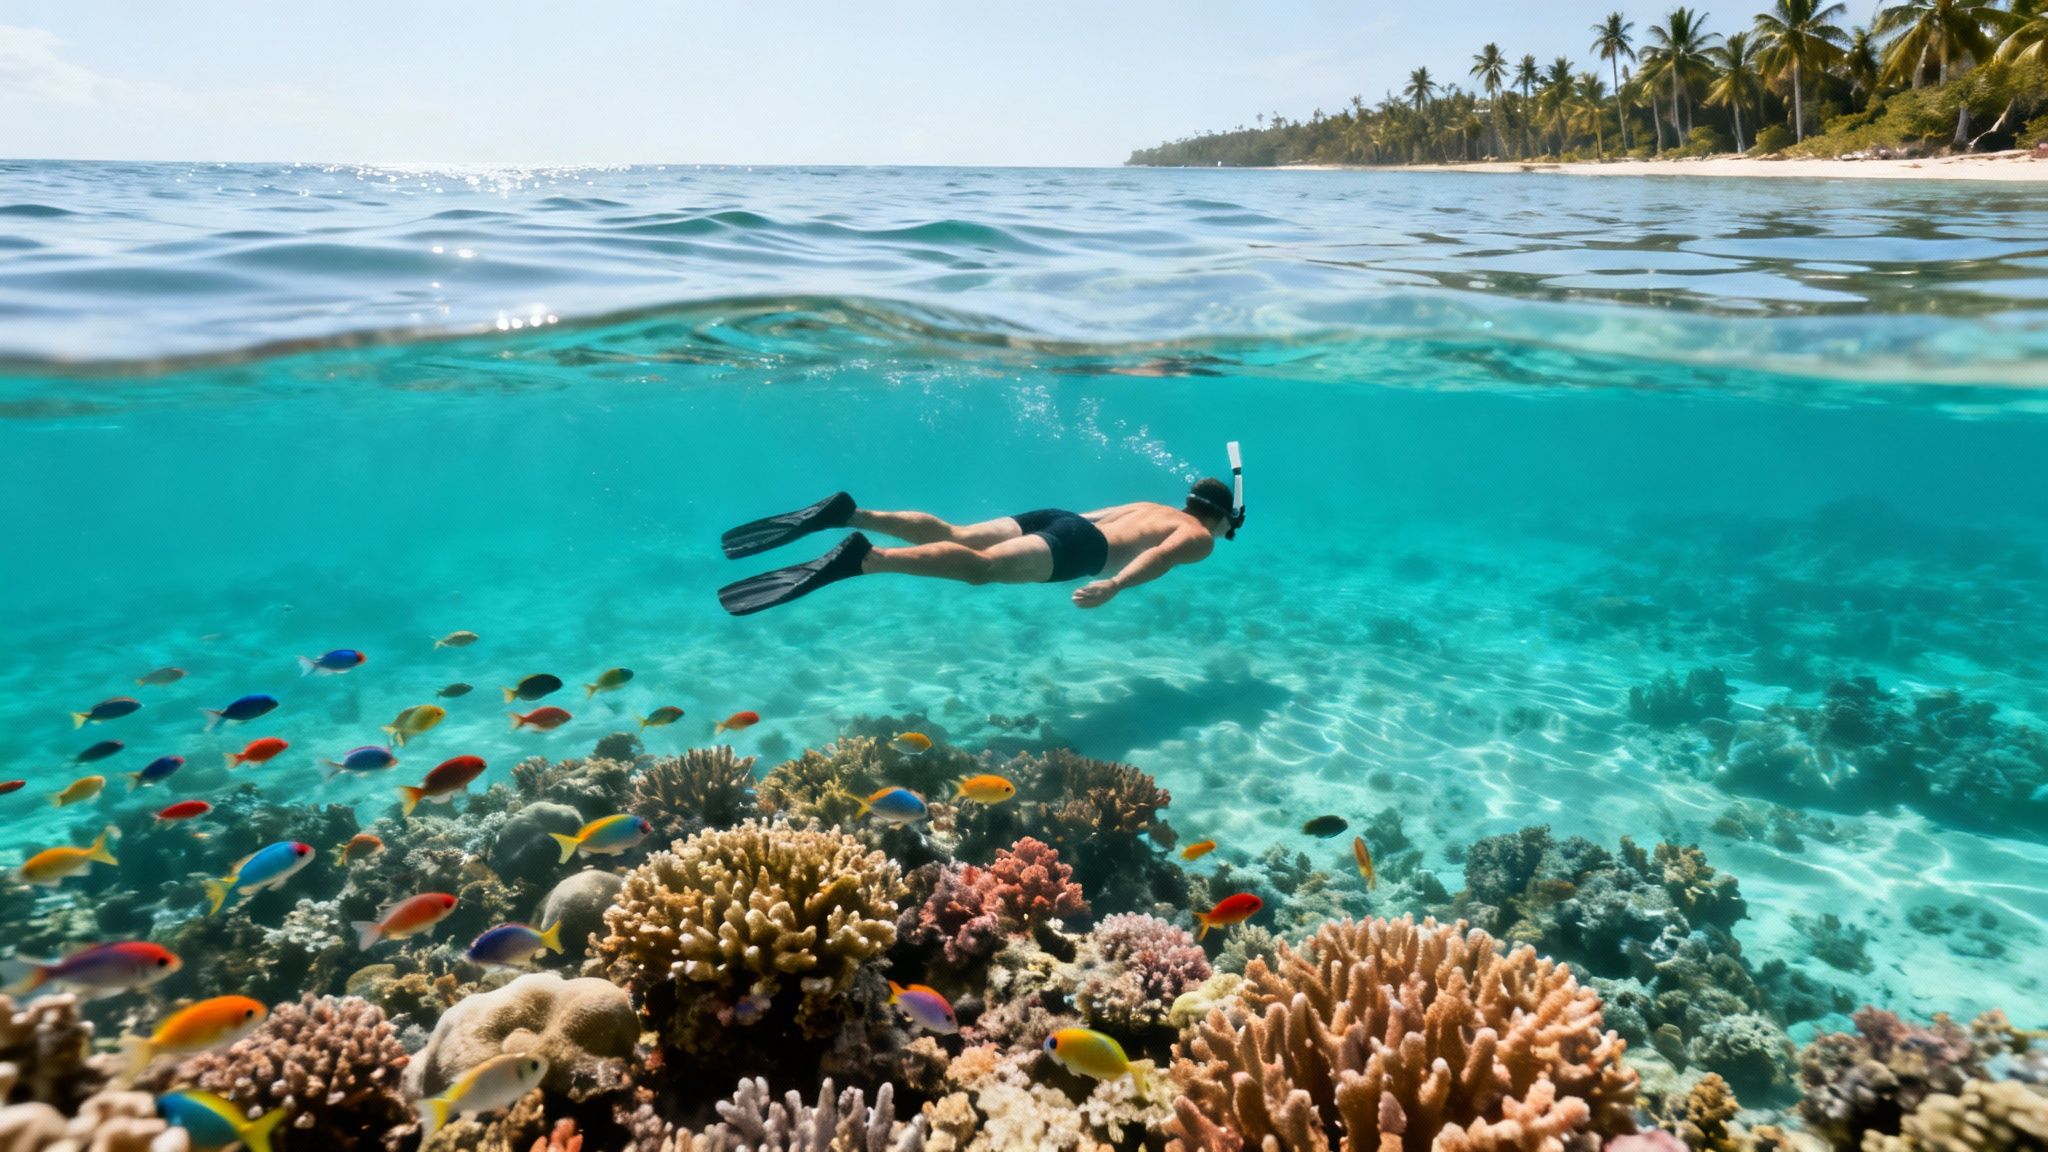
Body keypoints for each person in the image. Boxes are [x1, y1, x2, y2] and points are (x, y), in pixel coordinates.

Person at [717, 478, 1244, 616]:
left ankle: (849, 513)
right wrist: (1114, 583)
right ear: (1221, 517)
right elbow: (1161, 556)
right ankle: (868, 558)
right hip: (1084, 547)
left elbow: (1092, 516)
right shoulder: (1199, 536)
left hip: (1059, 517)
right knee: (983, 568)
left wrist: (1055, 534)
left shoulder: (1155, 504)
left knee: (959, 534)